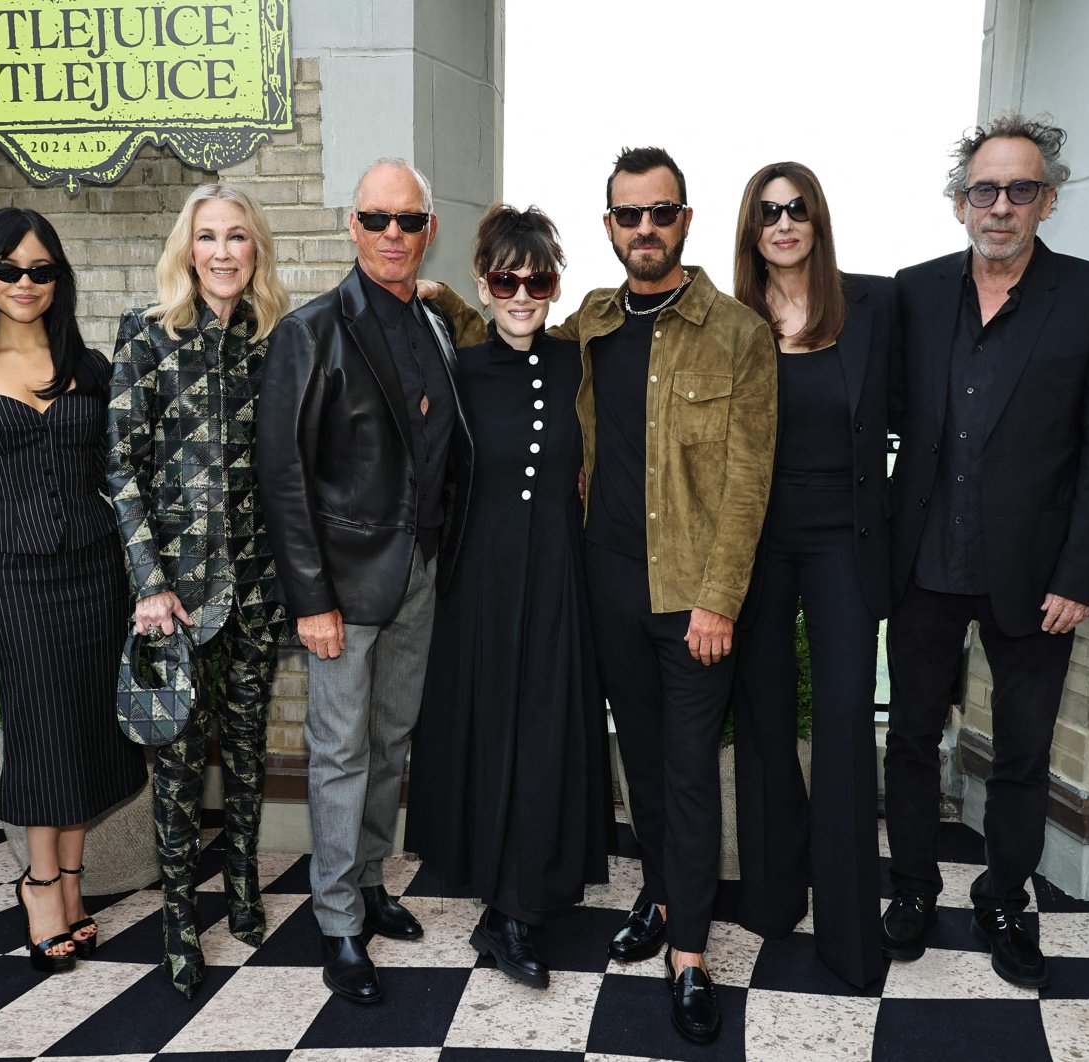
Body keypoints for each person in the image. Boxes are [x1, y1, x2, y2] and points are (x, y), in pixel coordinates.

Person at [431, 145, 776, 1044]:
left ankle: (690, 955)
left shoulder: (736, 333)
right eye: (630, 216)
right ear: (612, 228)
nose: (647, 229)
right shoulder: (593, 323)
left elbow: (748, 483)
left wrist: (720, 600)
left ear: (685, 221)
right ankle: (661, 902)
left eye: (662, 213)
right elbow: (509, 343)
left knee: (691, 769)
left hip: (692, 596)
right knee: (648, 767)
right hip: (607, 589)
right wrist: (438, 300)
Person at [883, 113, 1089, 988]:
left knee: (1024, 754)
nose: (1001, 205)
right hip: (922, 565)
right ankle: (911, 888)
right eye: (985, 190)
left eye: (1020, 189)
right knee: (912, 739)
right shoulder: (911, 294)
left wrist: (1081, 575)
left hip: (1037, 582)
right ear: (960, 203)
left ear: (1048, 199)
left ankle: (1004, 899)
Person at [256, 158, 473, 1006]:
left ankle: (372, 881)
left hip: (419, 572)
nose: (393, 235)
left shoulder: (439, 325)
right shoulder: (309, 333)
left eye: (409, 221)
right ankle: (339, 921)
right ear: (353, 226)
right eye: (377, 220)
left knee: (390, 743)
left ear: (428, 230)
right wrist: (311, 600)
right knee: (340, 752)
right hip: (341, 588)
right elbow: (283, 477)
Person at [0, 207, 145, 974]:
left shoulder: (88, 365)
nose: (25, 282)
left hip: (96, 573)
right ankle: (41, 885)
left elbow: (122, 473)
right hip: (11, 580)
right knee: (41, 734)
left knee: (86, 731)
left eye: (41, 270)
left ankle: (73, 883)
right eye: (9, 269)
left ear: (59, 278)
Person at [404, 204, 612, 991]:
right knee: (495, 733)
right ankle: (506, 903)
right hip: (481, 583)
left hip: (561, 574)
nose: (523, 293)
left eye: (540, 279)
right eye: (506, 279)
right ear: (483, 286)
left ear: (558, 286)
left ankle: (524, 900)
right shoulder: (456, 372)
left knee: (548, 729)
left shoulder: (578, 363)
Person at [106, 184, 290, 999]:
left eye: (237, 238)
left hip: (257, 591)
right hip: (174, 601)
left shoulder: (278, 342)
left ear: (257, 252)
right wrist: (148, 583)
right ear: (188, 250)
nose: (222, 252)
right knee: (178, 764)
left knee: (246, 754)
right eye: (207, 237)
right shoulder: (147, 339)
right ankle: (180, 917)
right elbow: (118, 466)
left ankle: (242, 886)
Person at [727, 161, 892, 989]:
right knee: (761, 722)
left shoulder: (873, 306)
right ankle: (770, 899)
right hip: (756, 542)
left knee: (842, 724)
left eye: (796, 210)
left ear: (817, 220)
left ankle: (850, 933)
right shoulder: (731, 320)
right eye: (767, 213)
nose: (783, 224)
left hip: (844, 542)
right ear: (751, 230)